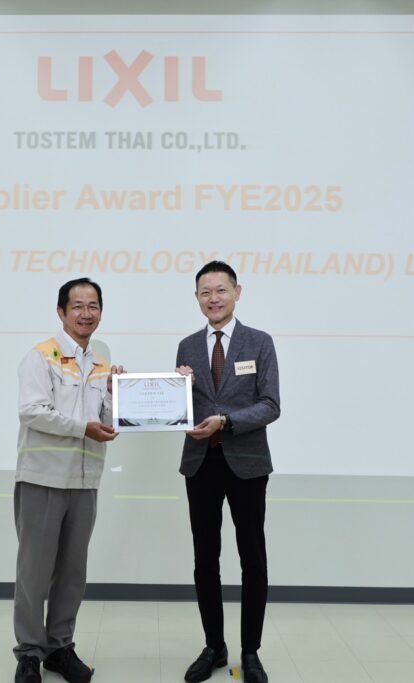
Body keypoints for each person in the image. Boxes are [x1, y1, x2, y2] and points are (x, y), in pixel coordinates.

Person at [13, 278, 123, 683]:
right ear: (61, 312)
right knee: (34, 573)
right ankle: (29, 653)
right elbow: (32, 411)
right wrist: (83, 428)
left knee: (73, 573)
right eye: (77, 306)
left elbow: (106, 422)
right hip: (43, 479)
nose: (86, 313)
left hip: (85, 481)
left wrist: (115, 394)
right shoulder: (41, 356)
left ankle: (59, 648)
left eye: (93, 306)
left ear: (101, 313)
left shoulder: (102, 363)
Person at [175, 261, 280, 683]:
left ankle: (250, 651)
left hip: (247, 463)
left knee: (252, 559)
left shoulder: (260, 342)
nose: (213, 298)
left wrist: (227, 421)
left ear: (237, 292)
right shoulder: (186, 346)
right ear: (197, 298)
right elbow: (181, 408)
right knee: (205, 559)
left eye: (221, 290)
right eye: (205, 292)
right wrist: (175, 390)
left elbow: (270, 404)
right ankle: (214, 646)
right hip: (200, 463)